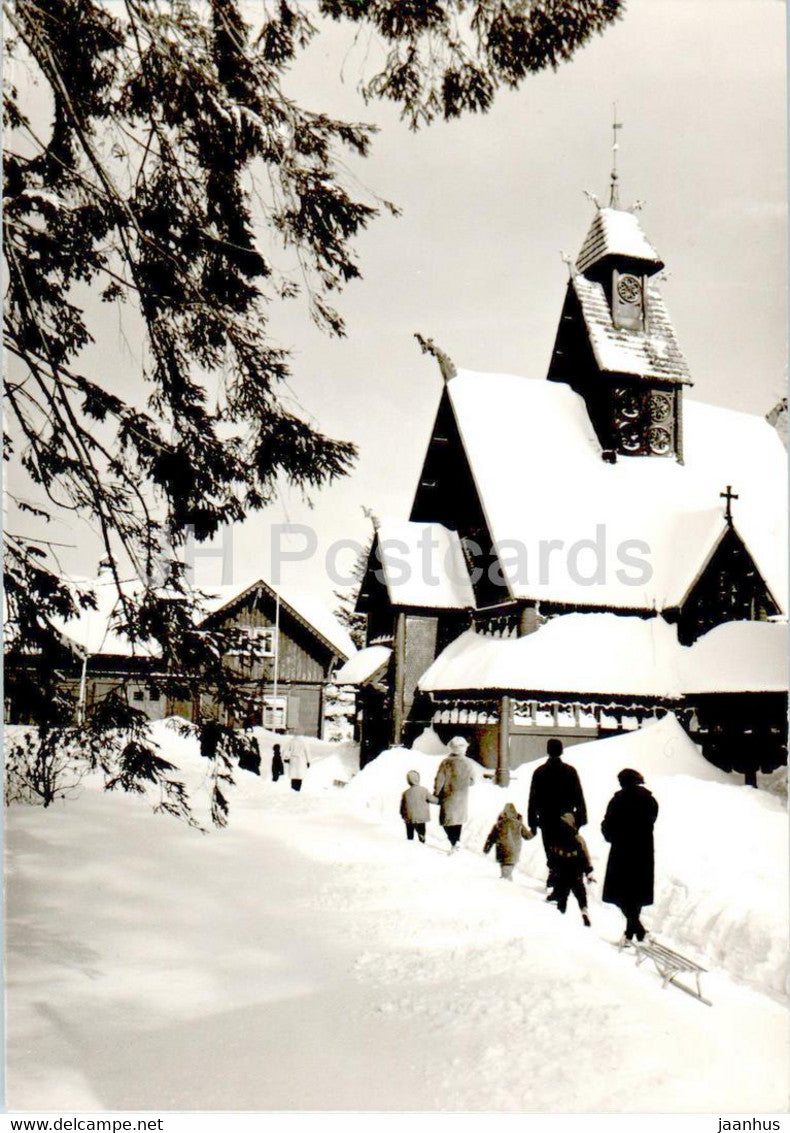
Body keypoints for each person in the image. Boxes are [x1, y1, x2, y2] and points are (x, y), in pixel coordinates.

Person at [601, 768, 659, 944]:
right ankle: (631, 931)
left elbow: (607, 824)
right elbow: (652, 820)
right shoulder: (649, 800)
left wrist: (612, 836)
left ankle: (636, 929)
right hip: (643, 851)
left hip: (622, 851)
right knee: (637, 893)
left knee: (621, 893)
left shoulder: (617, 800)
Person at [527, 738, 587, 899]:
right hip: (566, 818)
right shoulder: (570, 771)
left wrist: (532, 822)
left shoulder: (540, 772)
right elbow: (579, 796)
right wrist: (580, 818)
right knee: (564, 849)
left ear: (548, 751)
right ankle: (560, 881)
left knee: (551, 849)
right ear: (561, 751)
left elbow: (533, 799)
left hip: (547, 819)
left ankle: (555, 878)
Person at [549, 812, 593, 926]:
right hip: (576, 872)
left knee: (563, 894)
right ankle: (584, 910)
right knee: (580, 893)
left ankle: (561, 914)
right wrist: (588, 871)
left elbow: (553, 855)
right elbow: (585, 855)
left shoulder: (557, 837)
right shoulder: (578, 839)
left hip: (562, 872)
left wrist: (552, 868)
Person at [433, 736, 474, 851]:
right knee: (458, 820)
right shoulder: (467, 763)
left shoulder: (445, 763)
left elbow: (439, 780)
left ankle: (454, 842)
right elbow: (472, 781)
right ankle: (456, 842)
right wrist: (463, 783)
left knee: (447, 821)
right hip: (461, 797)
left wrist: (436, 792)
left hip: (448, 796)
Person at [483, 802, 535, 880]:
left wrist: (486, 849)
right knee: (507, 874)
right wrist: (534, 831)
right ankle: (507, 883)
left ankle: (505, 884)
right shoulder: (519, 824)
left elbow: (491, 838)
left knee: (505, 875)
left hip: (502, 852)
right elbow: (527, 836)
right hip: (514, 853)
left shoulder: (499, 824)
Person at [399, 770, 438, 843]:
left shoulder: (405, 793)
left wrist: (403, 815)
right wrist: (441, 800)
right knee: (421, 831)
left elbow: (401, 808)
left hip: (409, 818)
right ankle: (421, 839)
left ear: (408, 780)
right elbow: (434, 800)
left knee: (410, 835)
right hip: (421, 818)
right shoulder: (424, 790)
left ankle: (410, 842)